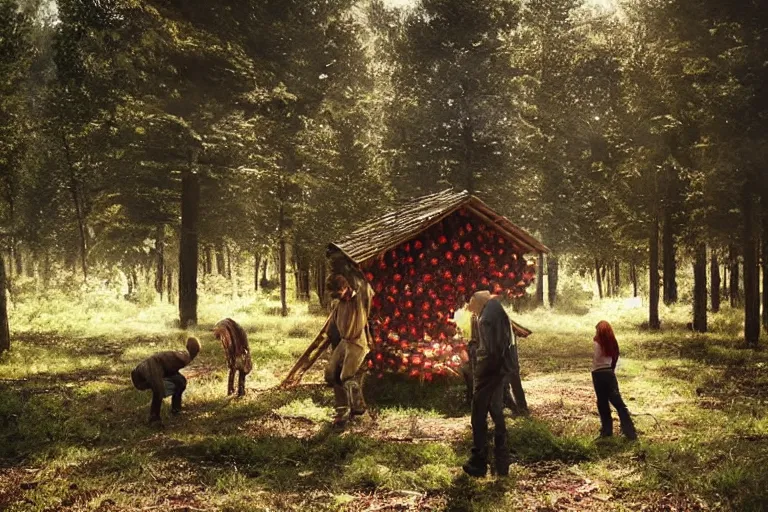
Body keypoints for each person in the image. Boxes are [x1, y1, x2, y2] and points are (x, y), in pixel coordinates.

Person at [463, 290, 514, 478]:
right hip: (500, 370)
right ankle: (502, 461)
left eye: (473, 308)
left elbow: (490, 350)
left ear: (478, 303)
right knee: (497, 413)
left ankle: (479, 461)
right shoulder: (496, 310)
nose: (473, 312)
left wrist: (476, 353)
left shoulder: (486, 318)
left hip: (490, 371)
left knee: (478, 414)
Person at [324, 271, 374, 427]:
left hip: (358, 342)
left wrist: (353, 269)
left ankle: (359, 412)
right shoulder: (338, 304)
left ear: (346, 287)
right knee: (330, 373)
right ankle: (342, 409)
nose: (336, 295)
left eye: (338, 291)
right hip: (344, 342)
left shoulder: (359, 299)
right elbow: (333, 326)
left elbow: (366, 287)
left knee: (347, 376)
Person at [131, 337, 200, 424]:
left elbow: (170, 368)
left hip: (150, 369)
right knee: (159, 389)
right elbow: (167, 366)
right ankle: (154, 418)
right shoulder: (184, 357)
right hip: (149, 368)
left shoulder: (184, 356)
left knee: (181, 382)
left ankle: (176, 409)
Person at [591, 321, 637, 440]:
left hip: (598, 374)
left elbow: (596, 357)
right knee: (618, 403)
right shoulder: (612, 342)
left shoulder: (597, 341)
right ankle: (629, 432)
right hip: (609, 373)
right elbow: (615, 357)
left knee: (602, 403)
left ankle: (606, 432)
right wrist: (611, 369)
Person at [213, 318, 252, 397]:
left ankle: (240, 391)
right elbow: (228, 346)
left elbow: (240, 346)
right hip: (235, 348)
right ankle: (231, 391)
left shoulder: (235, 332)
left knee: (241, 369)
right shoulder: (226, 329)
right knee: (233, 368)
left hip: (240, 349)